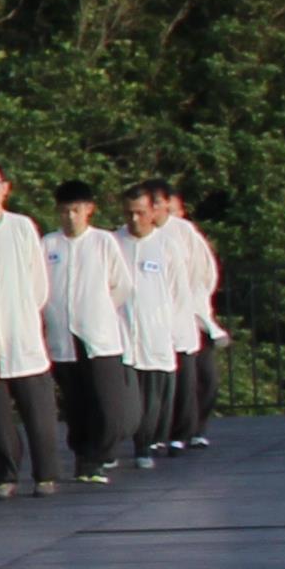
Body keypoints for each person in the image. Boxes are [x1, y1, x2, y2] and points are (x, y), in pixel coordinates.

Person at [0, 165, 71, 497]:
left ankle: (46, 473)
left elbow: (38, 282)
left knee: (39, 412)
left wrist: (25, 315)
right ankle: (4, 476)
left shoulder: (22, 227)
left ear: (5, 187)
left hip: (22, 332)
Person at [49, 188, 134, 483]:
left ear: (88, 209)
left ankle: (101, 453)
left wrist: (99, 310)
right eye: (65, 211)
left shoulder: (103, 241)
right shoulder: (49, 244)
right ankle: (84, 458)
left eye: (76, 210)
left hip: (98, 336)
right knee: (75, 402)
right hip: (62, 336)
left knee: (107, 402)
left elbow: (122, 285)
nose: (70, 217)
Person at [118, 183, 194, 470]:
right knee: (124, 400)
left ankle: (145, 445)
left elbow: (179, 293)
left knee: (152, 398)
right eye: (129, 213)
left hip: (156, 333)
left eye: (140, 213)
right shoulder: (113, 242)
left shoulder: (167, 245)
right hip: (122, 333)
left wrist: (177, 334)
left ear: (153, 212)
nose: (134, 219)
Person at [161, 182, 229, 447]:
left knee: (206, 378)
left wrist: (198, 303)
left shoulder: (186, 233)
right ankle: (176, 430)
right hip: (165, 318)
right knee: (180, 378)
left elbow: (206, 272)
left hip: (194, 316)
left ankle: (197, 426)